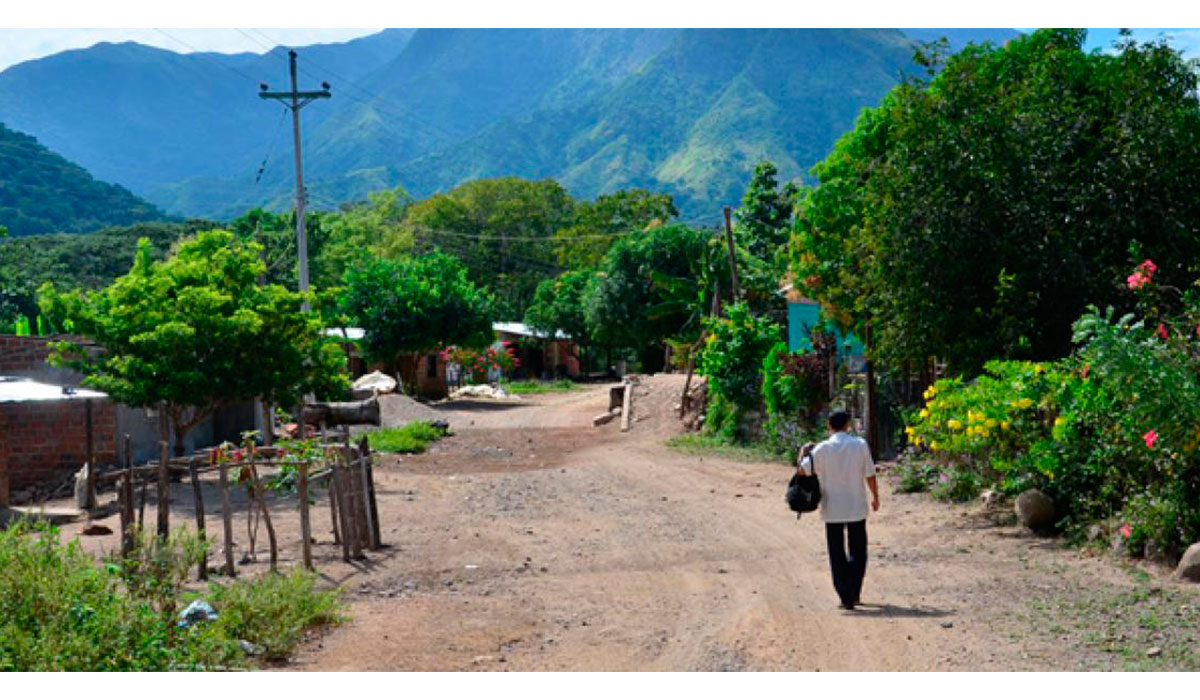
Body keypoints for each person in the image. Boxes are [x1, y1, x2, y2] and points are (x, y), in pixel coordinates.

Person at [804, 410, 879, 610]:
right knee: (858, 551)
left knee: (836, 552)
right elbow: (870, 474)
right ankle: (854, 591)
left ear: (829, 426)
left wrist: (803, 452)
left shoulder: (822, 448)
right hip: (856, 506)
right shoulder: (860, 445)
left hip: (832, 508)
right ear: (848, 425)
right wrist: (876, 497)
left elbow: (803, 469)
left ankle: (845, 596)